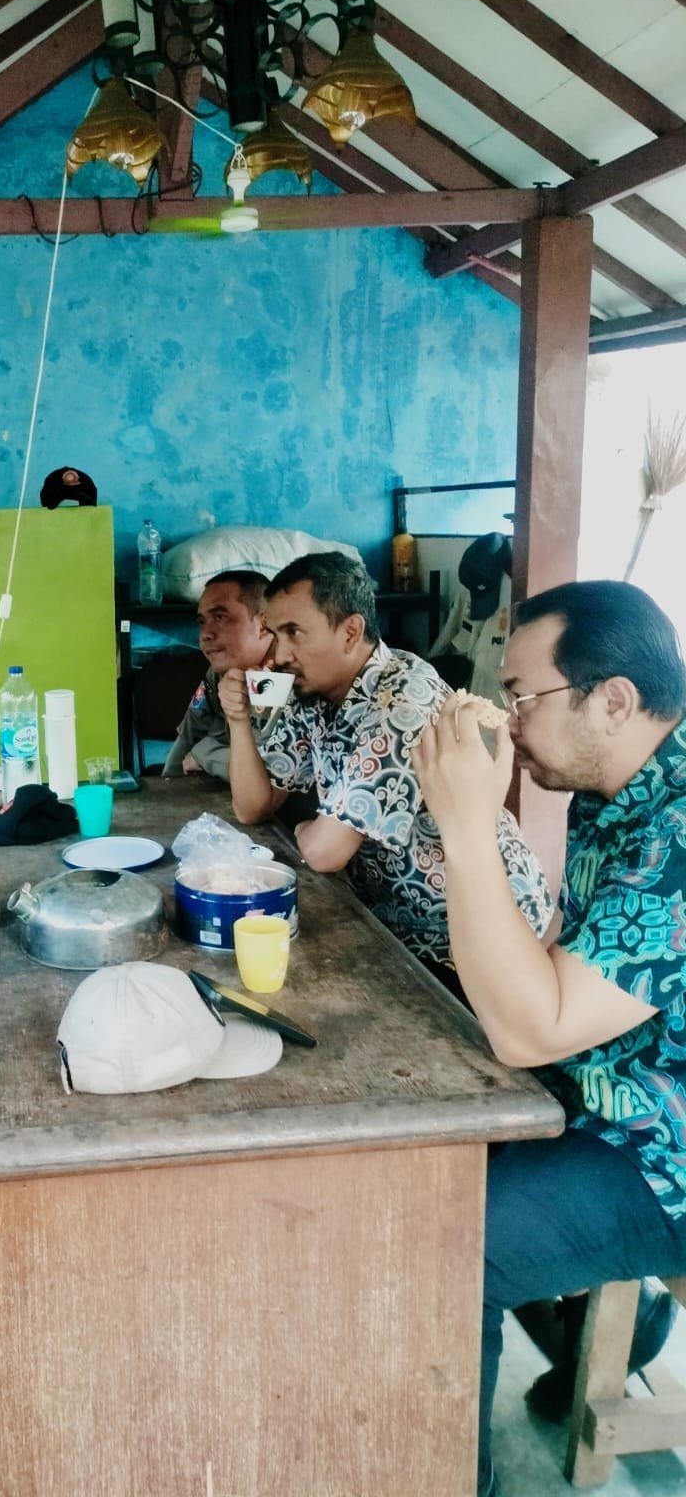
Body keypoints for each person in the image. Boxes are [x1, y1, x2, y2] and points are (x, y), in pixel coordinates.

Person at [413, 579, 686, 1497]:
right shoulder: (620, 791)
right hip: (617, 1093)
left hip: (669, 1149)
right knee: (412, 1154)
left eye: (523, 696)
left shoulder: (680, 832)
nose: (509, 720)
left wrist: (465, 824)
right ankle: (612, 1322)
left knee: (449, 1244)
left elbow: (533, 1028)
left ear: (613, 700)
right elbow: (551, 982)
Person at [218, 552, 553, 995]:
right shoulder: (311, 690)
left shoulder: (402, 701)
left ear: (350, 631)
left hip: (469, 929)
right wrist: (238, 720)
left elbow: (324, 853)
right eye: (275, 635)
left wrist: (306, 829)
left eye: (294, 632)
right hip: (395, 921)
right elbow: (252, 806)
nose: (279, 655)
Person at [162, 570, 275, 781]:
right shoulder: (218, 674)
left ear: (263, 625)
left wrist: (203, 753)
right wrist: (167, 786)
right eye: (202, 622)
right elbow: (189, 734)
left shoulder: (282, 676)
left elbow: (267, 772)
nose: (206, 634)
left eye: (220, 617)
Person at [429, 532, 513, 699]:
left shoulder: (515, 598)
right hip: (465, 689)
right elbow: (449, 630)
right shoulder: (468, 586)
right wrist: (427, 668)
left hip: (495, 696)